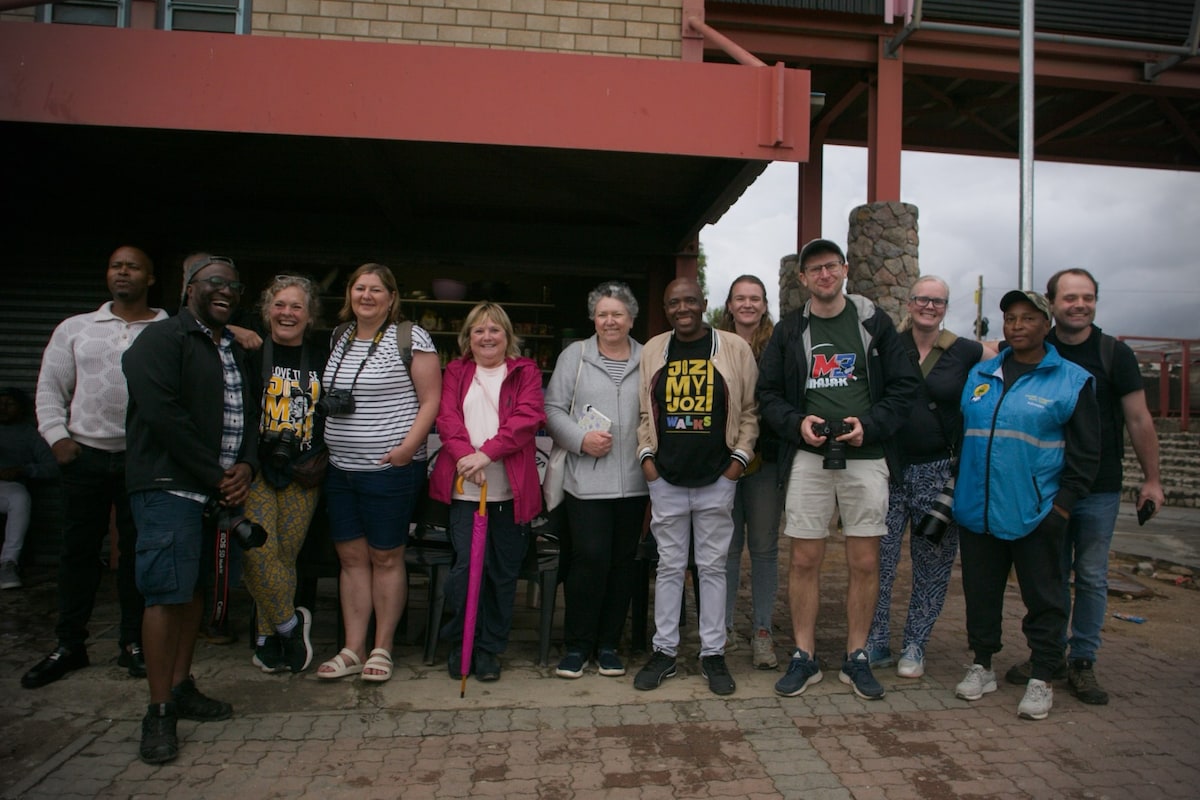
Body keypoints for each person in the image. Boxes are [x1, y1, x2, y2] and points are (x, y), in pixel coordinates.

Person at [756, 238, 919, 702]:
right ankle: (804, 656)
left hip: (866, 457)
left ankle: (857, 656)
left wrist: (868, 427)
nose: (824, 275)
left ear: (845, 269)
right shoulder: (790, 330)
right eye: (814, 269)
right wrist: (796, 423)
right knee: (804, 558)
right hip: (809, 456)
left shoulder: (873, 323)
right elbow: (768, 394)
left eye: (831, 266)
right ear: (803, 279)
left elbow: (904, 388)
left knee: (864, 560)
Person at [1001, 268, 1165, 705]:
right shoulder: (1033, 348)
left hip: (1099, 487)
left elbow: (1138, 418)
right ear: (1051, 304)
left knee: (1091, 575)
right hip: (1045, 487)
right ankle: (1049, 656)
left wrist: (1152, 480)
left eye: (1087, 297)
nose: (1079, 305)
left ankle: (1083, 660)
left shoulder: (1115, 354)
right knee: (1047, 575)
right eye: (1070, 297)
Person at [123, 253, 261, 763]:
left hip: (215, 493)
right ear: (188, 288)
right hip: (169, 488)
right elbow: (163, 417)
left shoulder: (229, 347)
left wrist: (246, 464)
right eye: (214, 282)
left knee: (196, 592)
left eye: (234, 284)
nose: (225, 290)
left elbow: (247, 413)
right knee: (164, 594)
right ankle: (158, 711)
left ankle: (181, 687)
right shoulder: (159, 341)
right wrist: (216, 474)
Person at [22, 245, 168, 689]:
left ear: (150, 277)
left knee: (136, 556)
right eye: (116, 266)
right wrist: (57, 437)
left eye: (133, 267)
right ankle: (70, 644)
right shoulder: (77, 328)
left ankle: (132, 643)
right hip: (84, 456)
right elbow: (50, 386)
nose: (123, 273)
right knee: (77, 554)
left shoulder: (167, 328)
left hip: (141, 459)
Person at [952, 289, 1100, 722]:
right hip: (977, 509)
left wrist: (1062, 509)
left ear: (1046, 324)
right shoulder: (981, 374)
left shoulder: (1071, 381)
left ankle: (1043, 676)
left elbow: (1087, 453)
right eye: (1010, 319)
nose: (1017, 326)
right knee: (981, 594)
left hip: (1036, 512)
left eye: (1028, 319)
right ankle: (982, 663)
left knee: (1045, 598)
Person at [315, 263, 440, 683]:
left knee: (385, 556)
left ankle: (382, 647)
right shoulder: (340, 337)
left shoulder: (410, 337)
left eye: (375, 290)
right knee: (351, 559)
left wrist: (406, 451)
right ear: (349, 293)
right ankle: (353, 647)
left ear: (391, 297)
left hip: (389, 469)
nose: (366, 296)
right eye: (359, 288)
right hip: (340, 468)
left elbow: (431, 401)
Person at [634, 277, 758, 697]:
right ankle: (665, 651)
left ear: (704, 303)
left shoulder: (734, 348)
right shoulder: (653, 349)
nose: (682, 308)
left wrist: (737, 463)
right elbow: (643, 411)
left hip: (717, 477)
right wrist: (648, 461)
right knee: (669, 567)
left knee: (711, 567)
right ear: (666, 309)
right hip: (665, 477)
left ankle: (712, 654)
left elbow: (749, 411)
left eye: (690, 300)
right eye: (674, 302)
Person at [865, 276, 990, 678]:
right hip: (887, 467)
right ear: (910, 302)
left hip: (939, 471)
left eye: (937, 301)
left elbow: (1004, 365)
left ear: (946, 307)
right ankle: (876, 640)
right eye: (922, 299)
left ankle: (916, 644)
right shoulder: (888, 346)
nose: (929, 306)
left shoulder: (967, 352)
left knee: (933, 564)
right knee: (877, 561)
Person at [429, 302, 544, 683]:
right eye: (479, 330)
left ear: (507, 336)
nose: (487, 336)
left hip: (510, 492)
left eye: (495, 329)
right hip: (466, 490)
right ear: (468, 338)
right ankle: (463, 643)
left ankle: (490, 649)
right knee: (465, 571)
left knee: (502, 573)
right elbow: (446, 418)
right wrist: (466, 457)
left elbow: (526, 420)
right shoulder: (457, 371)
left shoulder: (525, 372)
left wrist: (485, 455)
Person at [545, 281, 648, 680]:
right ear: (593, 318)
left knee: (622, 563)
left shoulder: (648, 356)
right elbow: (552, 409)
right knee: (589, 559)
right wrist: (580, 439)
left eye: (617, 314)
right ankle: (577, 646)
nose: (610, 321)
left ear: (631, 318)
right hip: (585, 481)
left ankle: (608, 645)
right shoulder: (577, 354)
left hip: (635, 481)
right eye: (603, 314)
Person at [241, 275, 329, 674]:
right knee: (258, 550)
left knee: (284, 557)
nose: (287, 313)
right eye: (280, 305)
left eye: (296, 307)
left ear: (309, 316)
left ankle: (266, 637)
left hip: (303, 471)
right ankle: (289, 624)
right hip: (256, 469)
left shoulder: (323, 357)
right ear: (266, 311)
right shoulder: (248, 352)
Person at [717, 275, 783, 670]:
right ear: (729, 304)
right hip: (721, 461)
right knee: (724, 549)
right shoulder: (715, 343)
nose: (747, 304)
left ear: (764, 304)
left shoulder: (779, 343)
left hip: (765, 459)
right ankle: (720, 629)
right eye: (740, 298)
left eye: (754, 298)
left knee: (763, 548)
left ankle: (762, 630)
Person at [0, 387, 59, 589]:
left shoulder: (28, 434)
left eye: (10, 404)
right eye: (0, 403)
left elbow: (52, 467)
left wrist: (23, 470)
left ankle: (8, 564)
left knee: (20, 498)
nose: (3, 408)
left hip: (7, 488)